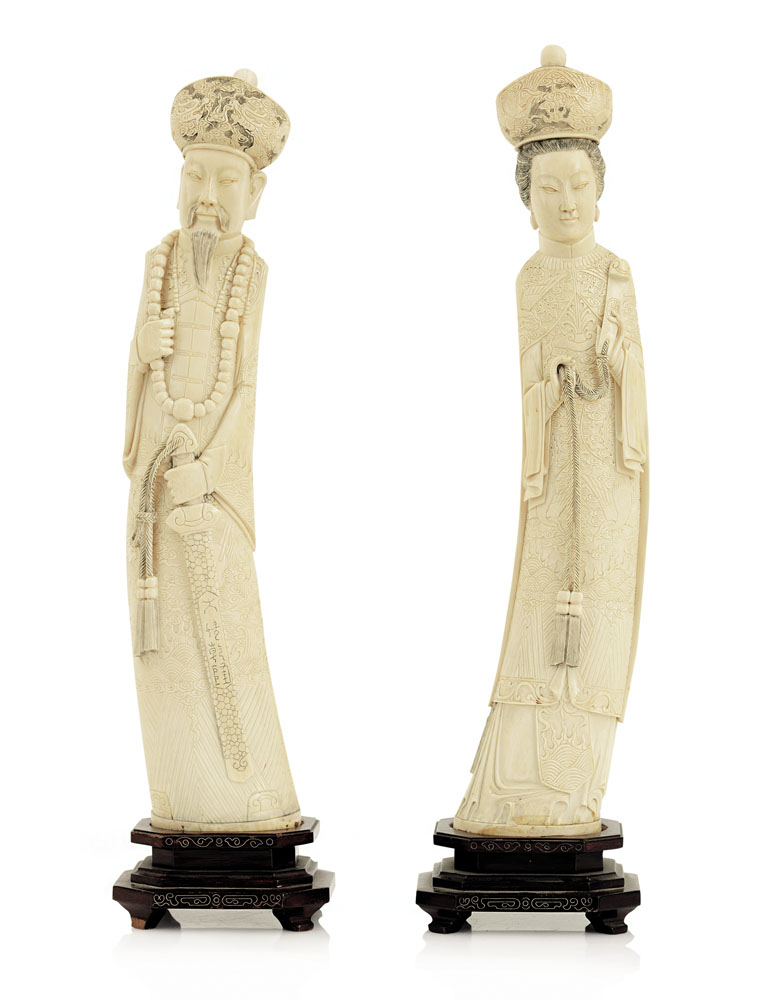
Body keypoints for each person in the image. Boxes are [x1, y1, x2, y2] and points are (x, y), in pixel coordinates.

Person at [454, 47, 648, 836]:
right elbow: (527, 380)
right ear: (526, 202)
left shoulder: (615, 273)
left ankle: (576, 788)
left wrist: (615, 364)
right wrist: (549, 389)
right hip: (553, 467)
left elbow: (636, 387)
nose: (566, 202)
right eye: (548, 189)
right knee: (541, 598)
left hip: (604, 469)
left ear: (600, 190)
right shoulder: (531, 280)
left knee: (598, 598)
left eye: (577, 186)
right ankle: (514, 786)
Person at [123, 71, 301, 833]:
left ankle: (248, 795)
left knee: (224, 623)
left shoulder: (250, 276)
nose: (207, 195)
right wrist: (142, 350)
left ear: (254, 193)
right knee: (161, 632)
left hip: (214, 487)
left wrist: (210, 470)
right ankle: (181, 796)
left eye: (226, 180)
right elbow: (138, 378)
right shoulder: (156, 264)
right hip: (156, 477)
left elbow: (245, 387)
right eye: (195, 175)